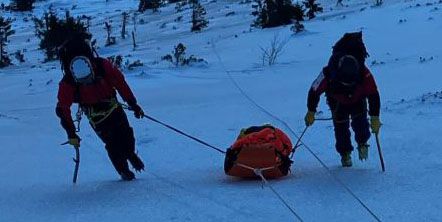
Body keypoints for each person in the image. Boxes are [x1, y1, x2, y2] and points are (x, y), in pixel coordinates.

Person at [55, 36, 145, 180]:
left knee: (123, 137)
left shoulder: (100, 68)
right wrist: (71, 133)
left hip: (107, 110)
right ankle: (124, 170)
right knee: (114, 141)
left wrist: (133, 104)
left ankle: (129, 156)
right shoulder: (98, 68)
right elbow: (62, 109)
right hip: (101, 114)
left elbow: (62, 109)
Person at [304, 32, 382, 167]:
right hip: (337, 101)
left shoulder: (364, 73)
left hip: (358, 99)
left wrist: (375, 116)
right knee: (341, 128)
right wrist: (311, 111)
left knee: (361, 125)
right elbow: (314, 91)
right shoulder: (328, 72)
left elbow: (373, 94)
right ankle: (345, 154)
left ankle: (363, 143)